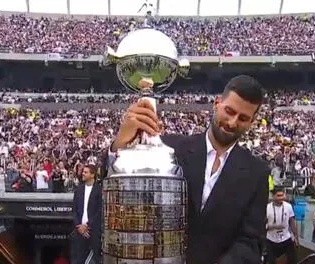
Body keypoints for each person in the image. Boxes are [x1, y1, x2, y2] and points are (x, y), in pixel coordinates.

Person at [107, 75, 270, 263]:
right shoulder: (170, 148)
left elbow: (251, 241)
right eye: (229, 111)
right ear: (217, 103)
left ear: (252, 121)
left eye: (243, 118)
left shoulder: (257, 173)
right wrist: (119, 143)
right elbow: (119, 194)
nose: (233, 122)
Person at [71, 164, 102, 264]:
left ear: (92, 175)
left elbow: (99, 211)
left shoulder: (99, 190)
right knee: (78, 259)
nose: (82, 174)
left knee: (95, 258)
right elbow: (74, 210)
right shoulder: (78, 190)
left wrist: (87, 226)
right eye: (83, 172)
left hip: (93, 231)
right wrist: (79, 226)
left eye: (85, 172)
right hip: (79, 230)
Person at [264, 187, 298, 264]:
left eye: (282, 195)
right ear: (273, 196)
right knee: (271, 261)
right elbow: (262, 225)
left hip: (286, 237)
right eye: (278, 196)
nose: (281, 198)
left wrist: (296, 237)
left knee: (292, 260)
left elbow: (292, 222)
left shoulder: (288, 206)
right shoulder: (267, 208)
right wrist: (273, 227)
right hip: (271, 238)